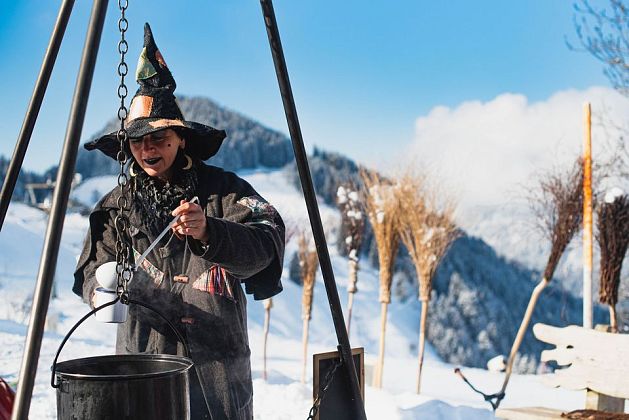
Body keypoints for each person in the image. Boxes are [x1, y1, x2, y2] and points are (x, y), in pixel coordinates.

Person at [73, 23, 285, 420]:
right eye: (137, 141)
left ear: (181, 138)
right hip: (142, 365)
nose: (147, 148)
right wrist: (100, 291)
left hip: (217, 372)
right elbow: (90, 267)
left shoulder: (225, 191)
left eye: (158, 138)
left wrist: (210, 231)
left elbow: (266, 242)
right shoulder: (116, 206)